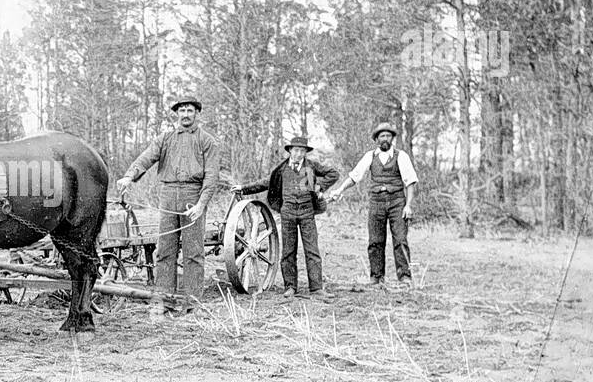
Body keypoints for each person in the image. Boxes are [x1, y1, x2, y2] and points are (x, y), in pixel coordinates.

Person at [115, 97, 221, 317]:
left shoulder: (207, 141)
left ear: (197, 114)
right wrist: (128, 177)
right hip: (168, 194)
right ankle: (165, 299)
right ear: (176, 114)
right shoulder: (165, 139)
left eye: (189, 110)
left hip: (193, 195)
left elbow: (211, 177)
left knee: (193, 252)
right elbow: (146, 158)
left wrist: (201, 205)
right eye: (181, 110)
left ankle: (192, 303)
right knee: (165, 249)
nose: (185, 114)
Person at [233, 136, 339, 301]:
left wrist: (319, 186)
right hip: (288, 213)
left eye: (302, 151)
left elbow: (334, 174)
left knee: (312, 251)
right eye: (296, 150)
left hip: (307, 213)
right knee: (288, 251)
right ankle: (290, 287)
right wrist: (243, 188)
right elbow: (264, 183)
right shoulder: (281, 170)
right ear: (290, 151)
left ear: (305, 153)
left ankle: (316, 289)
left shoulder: (311, 167)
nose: (298, 154)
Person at [327, 122, 418, 288]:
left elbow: (410, 182)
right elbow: (355, 176)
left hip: (397, 201)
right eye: (382, 136)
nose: (385, 139)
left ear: (392, 138)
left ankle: (405, 277)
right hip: (376, 202)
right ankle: (376, 277)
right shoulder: (370, 156)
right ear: (376, 139)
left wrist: (408, 205)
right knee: (375, 240)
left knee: (400, 239)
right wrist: (339, 190)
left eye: (388, 136)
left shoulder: (401, 156)